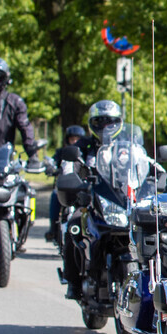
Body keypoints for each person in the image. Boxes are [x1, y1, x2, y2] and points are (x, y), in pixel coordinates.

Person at [57, 101, 124, 298]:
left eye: (110, 122)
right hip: (89, 201)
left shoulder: (125, 146)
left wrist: (156, 174)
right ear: (92, 124)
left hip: (119, 202)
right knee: (73, 226)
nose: (105, 127)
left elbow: (144, 162)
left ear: (119, 123)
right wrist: (73, 182)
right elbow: (68, 167)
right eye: (100, 122)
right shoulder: (82, 146)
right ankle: (73, 281)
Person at [44, 125, 88, 244]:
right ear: (67, 139)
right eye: (72, 139)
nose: (74, 142)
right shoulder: (61, 152)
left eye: (77, 139)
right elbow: (53, 162)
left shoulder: (86, 153)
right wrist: (50, 168)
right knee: (54, 196)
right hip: (64, 187)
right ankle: (53, 228)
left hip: (81, 188)